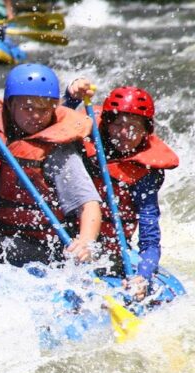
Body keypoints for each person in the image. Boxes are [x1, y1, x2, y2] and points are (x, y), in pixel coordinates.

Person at [0, 64, 102, 267]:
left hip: (40, 245)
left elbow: (89, 205)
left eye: (43, 109)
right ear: (10, 105)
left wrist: (85, 243)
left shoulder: (59, 151)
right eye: (27, 108)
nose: (35, 116)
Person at [63, 80, 179, 299]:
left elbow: (150, 240)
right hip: (69, 242)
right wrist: (72, 97)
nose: (125, 133)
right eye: (118, 124)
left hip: (109, 253)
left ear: (147, 130)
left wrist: (143, 276)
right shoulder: (84, 143)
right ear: (106, 124)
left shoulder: (145, 174)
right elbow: (48, 128)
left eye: (134, 126)